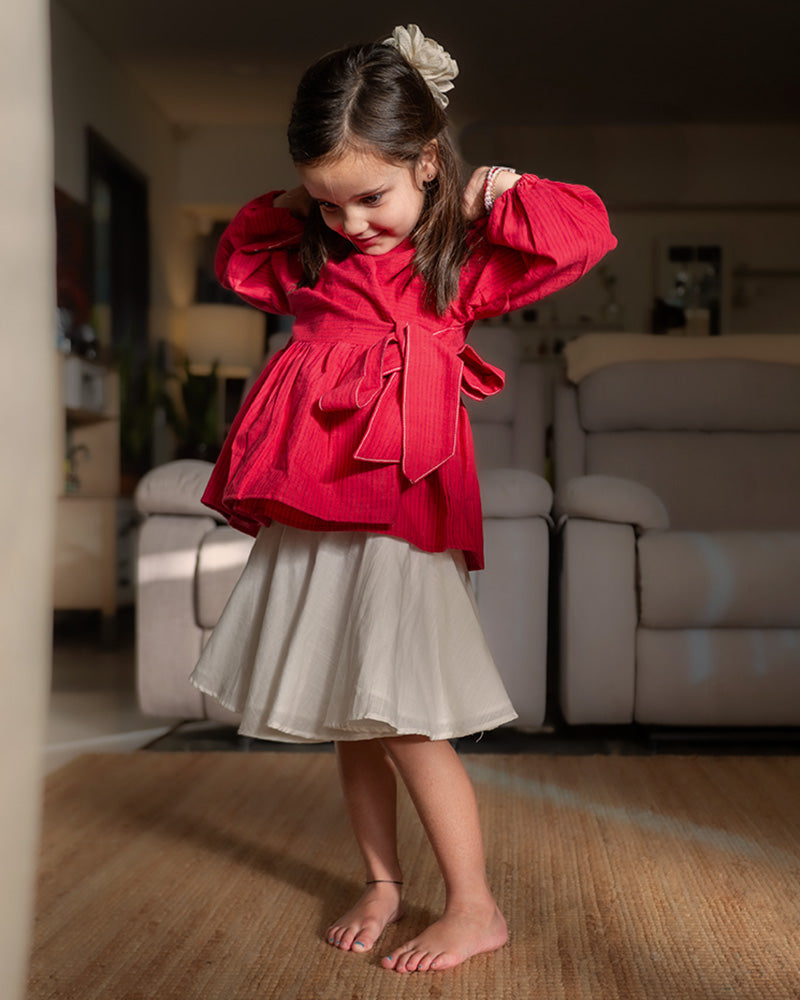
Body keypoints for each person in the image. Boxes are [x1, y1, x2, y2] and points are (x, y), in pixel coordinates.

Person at [190, 24, 616, 974]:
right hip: (315, 502)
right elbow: (237, 254)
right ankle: (382, 880)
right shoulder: (315, 257)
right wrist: (309, 201)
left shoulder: (450, 258)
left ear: (427, 161)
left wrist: (495, 191)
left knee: (406, 713)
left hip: (401, 503)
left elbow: (581, 238)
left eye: (371, 197)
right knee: (353, 707)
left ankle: (475, 904)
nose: (350, 223)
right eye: (326, 201)